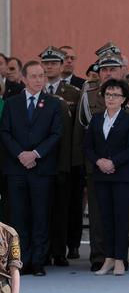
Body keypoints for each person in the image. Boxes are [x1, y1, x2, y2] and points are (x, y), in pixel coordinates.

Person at [0, 61, 63, 276]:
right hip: (16, 169)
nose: (39, 80)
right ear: (24, 79)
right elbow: (5, 133)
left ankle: (38, 261)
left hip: (41, 168)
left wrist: (35, 154)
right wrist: (20, 154)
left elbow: (55, 134)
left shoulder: (53, 104)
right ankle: (21, 261)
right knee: (18, 218)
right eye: (34, 76)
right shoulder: (11, 103)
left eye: (42, 76)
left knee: (40, 216)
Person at [84, 79, 129, 276]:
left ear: (123, 99)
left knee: (121, 218)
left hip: (122, 176)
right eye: (108, 94)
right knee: (105, 219)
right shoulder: (97, 119)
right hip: (101, 176)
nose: (111, 98)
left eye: (115, 95)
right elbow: (88, 146)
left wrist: (113, 162)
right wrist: (99, 161)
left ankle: (120, 260)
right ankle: (107, 259)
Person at [40, 46, 80, 267]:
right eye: (46, 63)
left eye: (54, 63)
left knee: (63, 209)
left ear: (62, 64)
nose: (50, 67)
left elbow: (73, 134)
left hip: (62, 160)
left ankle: (60, 250)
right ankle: (43, 251)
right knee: (42, 209)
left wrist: (68, 164)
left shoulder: (73, 93)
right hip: (39, 162)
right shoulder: (35, 91)